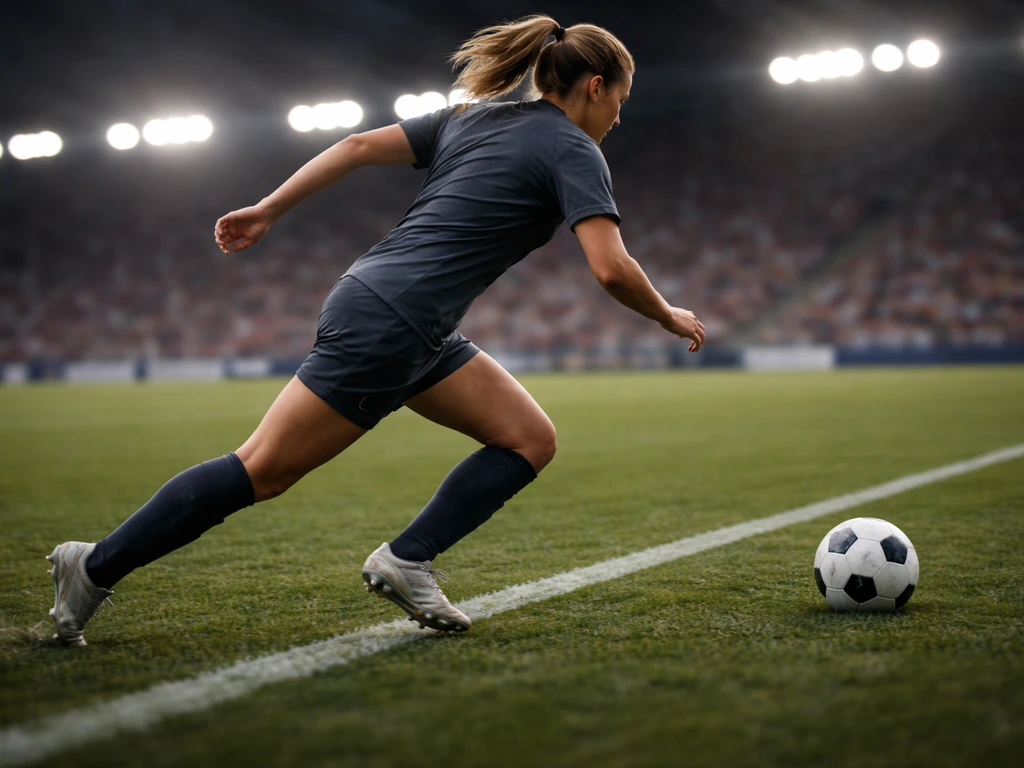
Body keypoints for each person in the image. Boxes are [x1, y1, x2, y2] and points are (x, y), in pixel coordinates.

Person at [46, 14, 705, 645]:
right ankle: (96, 566)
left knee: (527, 438)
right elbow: (612, 270)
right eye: (621, 99)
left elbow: (358, 146)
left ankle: (407, 560)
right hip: (391, 319)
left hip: (402, 314)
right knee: (262, 470)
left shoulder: (472, 118)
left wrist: (269, 209)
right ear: (596, 87)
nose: (619, 116)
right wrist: (669, 314)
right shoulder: (575, 149)